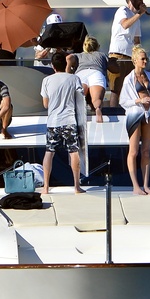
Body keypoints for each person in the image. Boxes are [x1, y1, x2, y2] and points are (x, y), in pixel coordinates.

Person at [40, 51, 85, 194]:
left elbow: (45, 104)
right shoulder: (74, 78)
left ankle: (46, 187)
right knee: (73, 152)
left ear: (52, 66)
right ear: (66, 64)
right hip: (69, 120)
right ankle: (77, 186)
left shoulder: (47, 80)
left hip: (53, 121)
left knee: (49, 152)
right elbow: (81, 98)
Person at [120, 46, 150, 195]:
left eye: (146, 59)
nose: (145, 61)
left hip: (149, 114)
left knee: (146, 151)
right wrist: (138, 100)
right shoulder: (129, 79)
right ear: (135, 60)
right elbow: (123, 101)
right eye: (142, 59)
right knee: (134, 151)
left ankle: (146, 185)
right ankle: (135, 186)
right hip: (135, 114)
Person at [108, 0, 147, 107]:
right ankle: (114, 112)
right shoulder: (122, 10)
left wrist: (140, 56)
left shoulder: (136, 19)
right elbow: (125, 24)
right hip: (118, 54)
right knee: (116, 89)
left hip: (130, 57)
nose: (142, 1)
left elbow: (137, 41)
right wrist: (139, 13)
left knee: (130, 88)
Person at [66, 35, 117, 123]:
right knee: (97, 99)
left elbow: (69, 57)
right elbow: (114, 69)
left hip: (81, 73)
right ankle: (98, 109)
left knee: (78, 98)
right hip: (96, 73)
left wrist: (68, 71)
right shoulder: (101, 55)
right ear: (97, 46)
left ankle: (75, 113)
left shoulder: (79, 55)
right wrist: (113, 61)